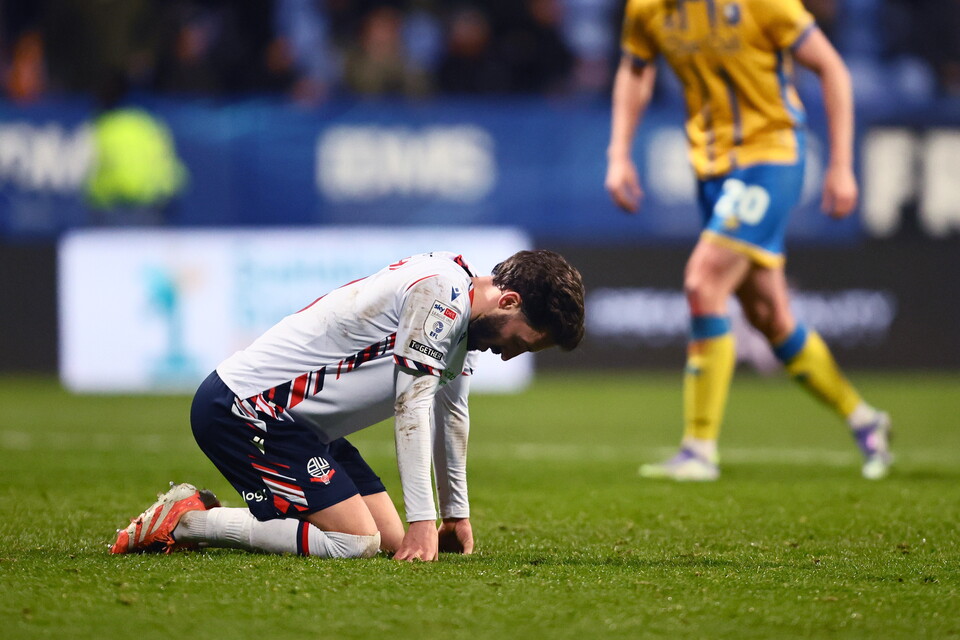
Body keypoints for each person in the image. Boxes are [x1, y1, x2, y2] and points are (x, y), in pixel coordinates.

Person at [111, 250, 585, 560]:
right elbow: (412, 406)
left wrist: (453, 514)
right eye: (523, 342)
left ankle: (235, 513)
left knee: (395, 544)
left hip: (302, 427)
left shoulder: (461, 317)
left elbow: (452, 414)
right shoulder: (441, 296)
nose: (510, 354)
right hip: (247, 409)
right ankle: (189, 520)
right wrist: (424, 519)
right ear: (509, 300)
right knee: (354, 543)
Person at [604, 0, 891, 481]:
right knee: (770, 316)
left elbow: (832, 68)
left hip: (771, 156)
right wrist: (618, 154)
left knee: (703, 281)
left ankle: (699, 449)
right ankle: (865, 420)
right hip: (711, 170)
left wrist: (842, 165)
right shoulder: (646, 8)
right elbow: (635, 69)